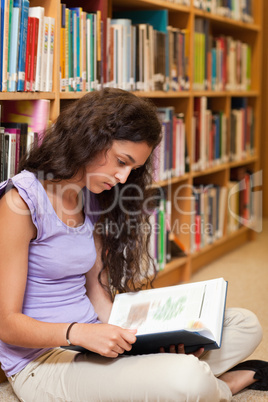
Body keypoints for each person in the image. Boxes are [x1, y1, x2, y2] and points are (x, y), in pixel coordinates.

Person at [0, 87, 267, 402]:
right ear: (91, 139)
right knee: (189, 376)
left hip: (96, 340)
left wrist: (141, 337)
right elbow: (6, 324)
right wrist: (78, 333)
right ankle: (224, 386)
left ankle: (166, 375)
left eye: (133, 169)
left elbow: (96, 292)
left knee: (244, 324)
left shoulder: (90, 195)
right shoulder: (20, 203)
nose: (123, 178)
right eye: (121, 161)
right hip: (45, 361)